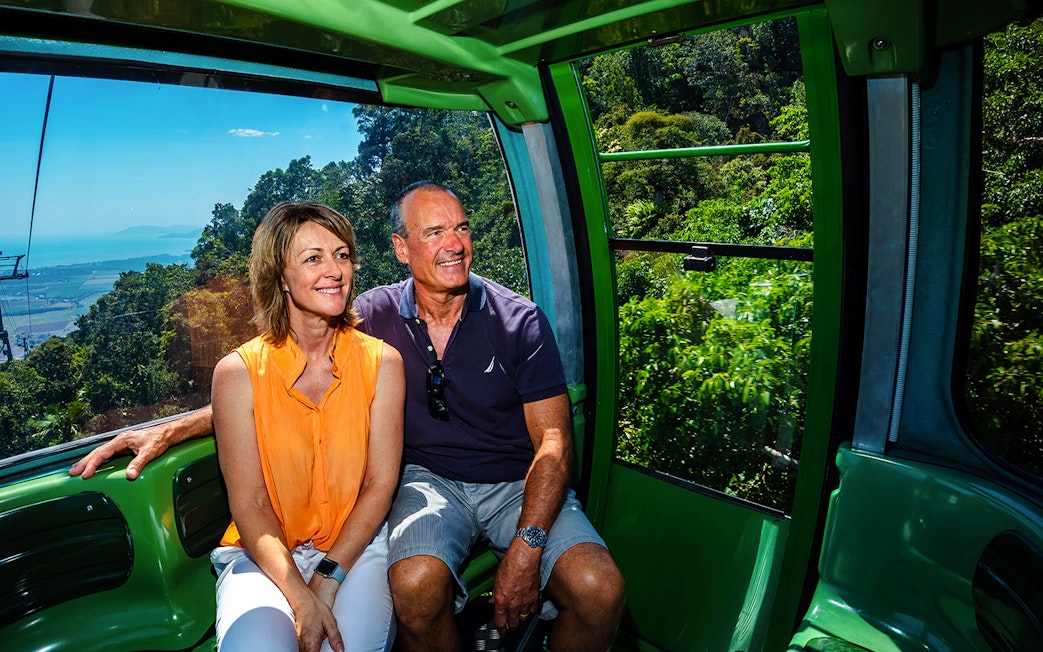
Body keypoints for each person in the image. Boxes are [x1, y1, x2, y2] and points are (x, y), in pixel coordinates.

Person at [71, 183, 625, 652]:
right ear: (401, 249)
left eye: (460, 228)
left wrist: (528, 547)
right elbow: (268, 385)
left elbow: (553, 441)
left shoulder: (514, 321)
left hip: (511, 482)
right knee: (414, 583)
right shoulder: (376, 316)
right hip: (426, 480)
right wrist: (175, 426)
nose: (453, 245)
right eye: (433, 233)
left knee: (599, 589)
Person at [207, 202, 404, 652]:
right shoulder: (238, 374)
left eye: (341, 255)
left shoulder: (382, 364)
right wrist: (301, 597)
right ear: (280, 276)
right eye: (313, 258)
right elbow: (251, 501)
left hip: (353, 551)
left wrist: (328, 579)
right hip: (263, 555)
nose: (334, 270)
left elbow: (379, 485)